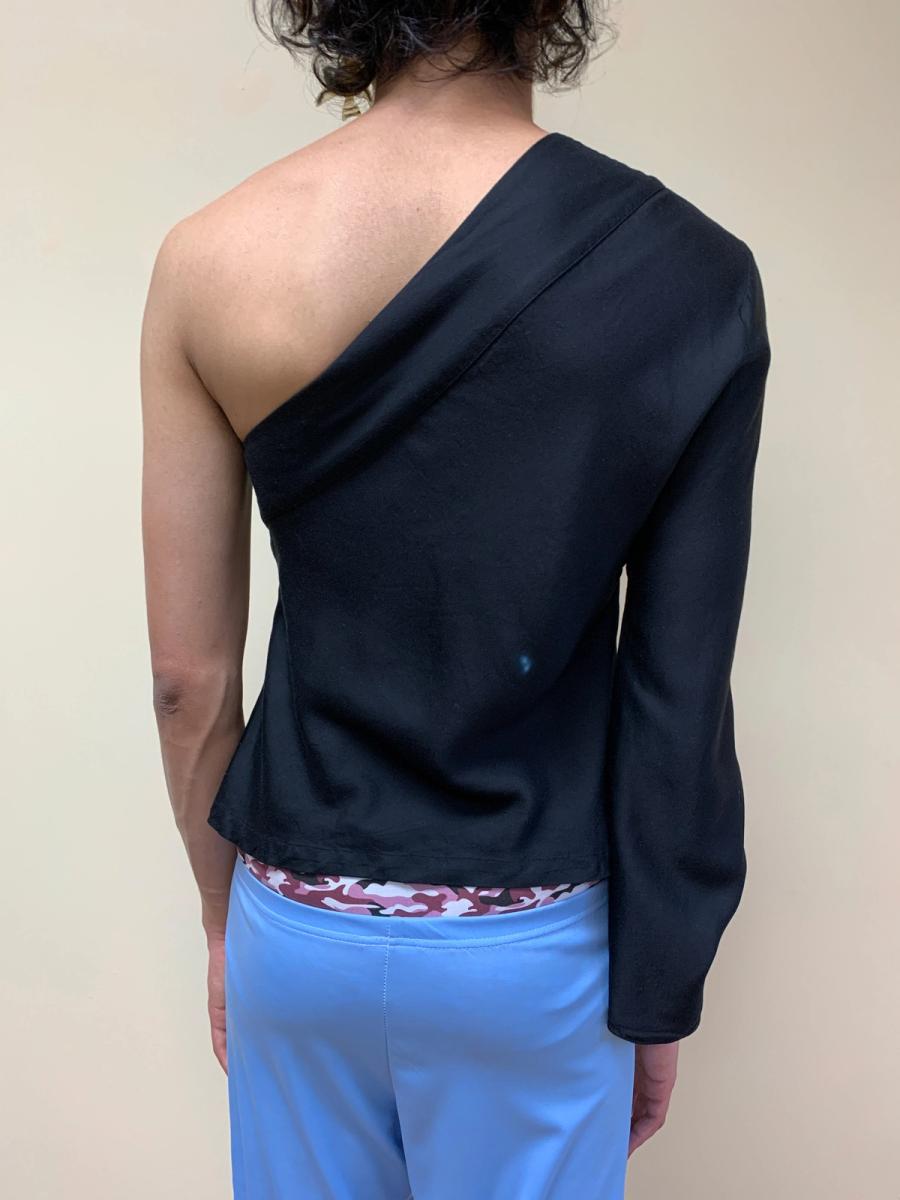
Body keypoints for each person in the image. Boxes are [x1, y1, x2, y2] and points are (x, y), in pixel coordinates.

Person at [140, 2, 771, 1197]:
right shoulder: (693, 275)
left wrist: (230, 923)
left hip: (299, 922)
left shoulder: (207, 259)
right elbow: (678, 685)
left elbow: (189, 684)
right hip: (536, 949)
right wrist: (659, 986)